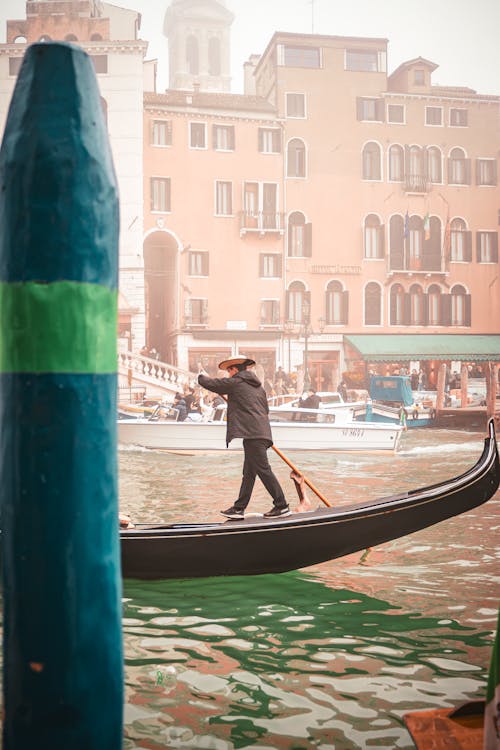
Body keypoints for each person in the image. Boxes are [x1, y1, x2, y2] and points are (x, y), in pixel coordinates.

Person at [198, 356, 290, 519]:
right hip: (259, 433)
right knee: (249, 473)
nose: (228, 374)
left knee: (263, 469)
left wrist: (201, 375)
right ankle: (239, 508)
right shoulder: (259, 388)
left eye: (229, 371)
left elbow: (211, 384)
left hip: (253, 433)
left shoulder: (236, 382)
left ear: (235, 370)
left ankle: (281, 505)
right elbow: (265, 410)